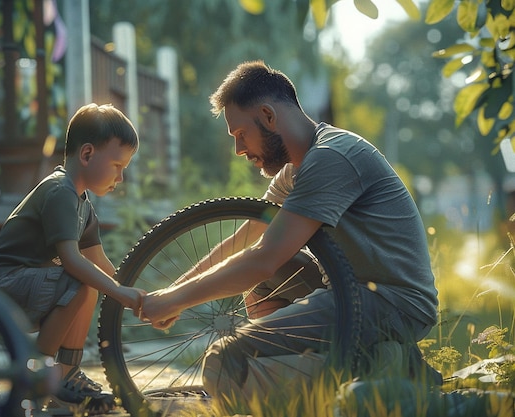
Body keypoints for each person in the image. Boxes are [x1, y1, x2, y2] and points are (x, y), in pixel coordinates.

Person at [140, 61, 440, 411]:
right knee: (263, 287)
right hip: (350, 291)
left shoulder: (331, 158)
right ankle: (373, 362)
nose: (239, 150)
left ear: (268, 116)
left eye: (240, 134)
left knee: (223, 360)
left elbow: (264, 259)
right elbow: (248, 236)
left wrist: (177, 300)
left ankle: (357, 371)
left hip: (392, 303)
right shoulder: (294, 172)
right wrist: (174, 292)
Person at [0, 103, 145, 412]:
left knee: (88, 283)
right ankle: (38, 376)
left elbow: (100, 264)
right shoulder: (60, 192)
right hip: (4, 286)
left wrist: (139, 296)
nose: (121, 177)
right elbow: (73, 262)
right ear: (86, 155)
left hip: (31, 285)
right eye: (116, 165)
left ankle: (66, 373)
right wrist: (122, 294)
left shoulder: (83, 205)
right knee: (79, 281)